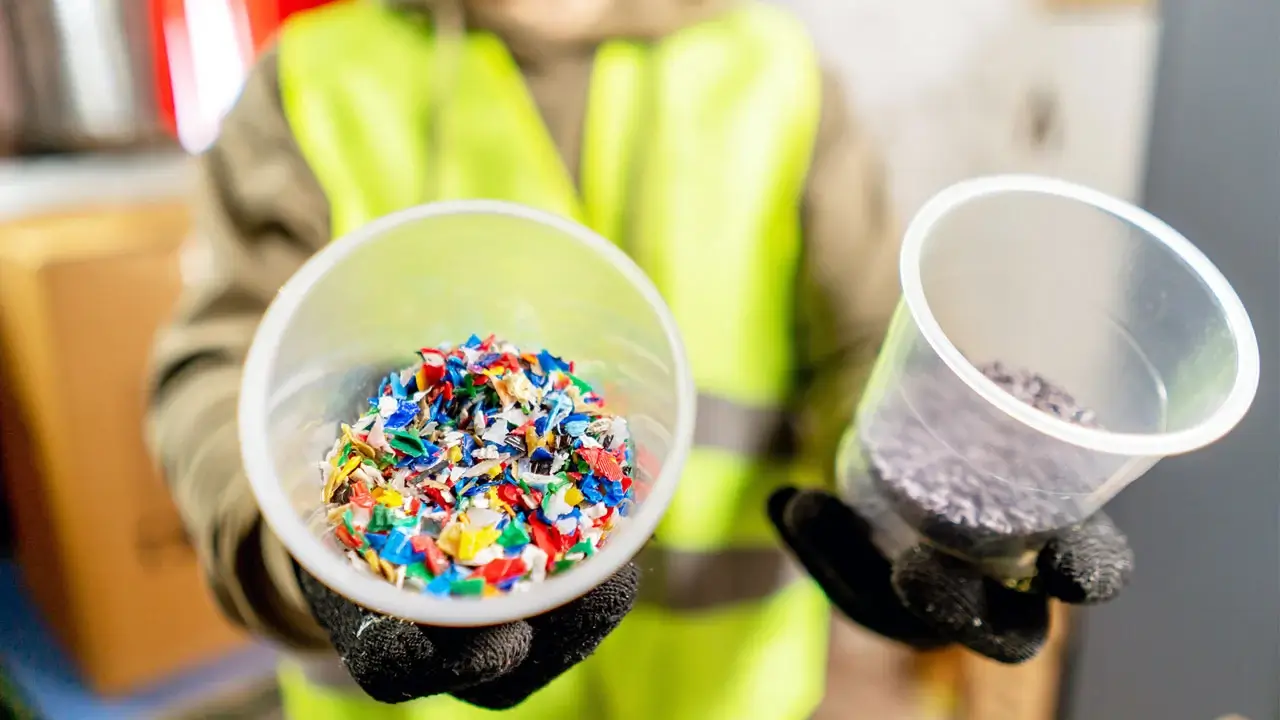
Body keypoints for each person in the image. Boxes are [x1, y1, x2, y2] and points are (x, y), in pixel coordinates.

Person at [146, 0, 1135, 718]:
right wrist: (292, 546)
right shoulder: (315, 77)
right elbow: (220, 369)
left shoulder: (771, 74)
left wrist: (911, 500)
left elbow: (863, 352)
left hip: (715, 696)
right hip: (415, 699)